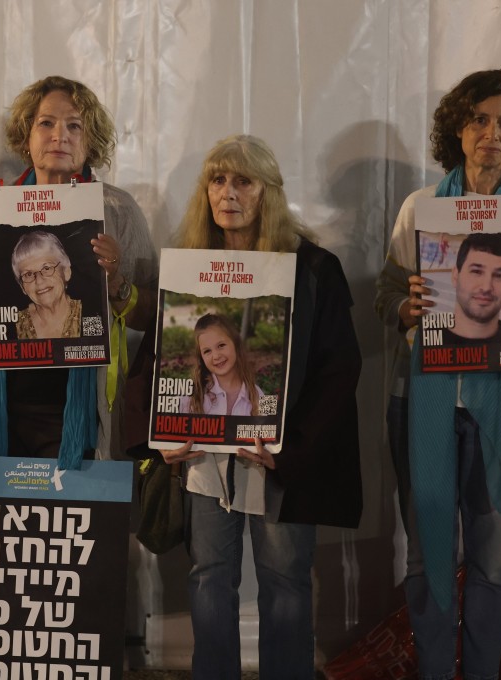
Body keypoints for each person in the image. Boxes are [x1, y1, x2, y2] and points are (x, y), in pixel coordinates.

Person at [375, 69, 501, 680]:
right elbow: (386, 296)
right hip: (423, 402)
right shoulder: (421, 208)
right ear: (457, 129)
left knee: (494, 562)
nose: (492, 132)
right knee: (427, 556)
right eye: (479, 119)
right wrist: (406, 307)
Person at [163, 135, 362, 679]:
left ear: (267, 191)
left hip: (277, 459)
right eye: (217, 179)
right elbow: (161, 362)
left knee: (285, 581)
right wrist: (165, 436)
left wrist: (293, 451)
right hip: (206, 459)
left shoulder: (313, 267)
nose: (228, 192)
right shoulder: (188, 267)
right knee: (208, 576)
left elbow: (340, 369)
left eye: (243, 181)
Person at [0, 75, 157, 467]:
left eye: (74, 126)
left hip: (80, 409)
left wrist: (116, 283)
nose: (59, 135)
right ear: (26, 135)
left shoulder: (118, 210)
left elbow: (153, 317)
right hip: (2, 403)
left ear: (90, 140)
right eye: (46, 123)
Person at [178, 313, 264, 416]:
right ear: (201, 358)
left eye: (221, 345)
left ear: (236, 344)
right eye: (207, 351)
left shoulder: (258, 393)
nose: (216, 356)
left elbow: (272, 424)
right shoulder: (190, 396)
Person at [444, 232, 501, 345]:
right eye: (476, 271)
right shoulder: (426, 336)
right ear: (455, 275)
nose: (486, 287)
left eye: (499, 275)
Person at [11, 230, 82, 339]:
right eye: (28, 274)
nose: (39, 281)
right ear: (22, 287)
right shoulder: (13, 325)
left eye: (46, 268)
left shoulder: (90, 312)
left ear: (66, 272)